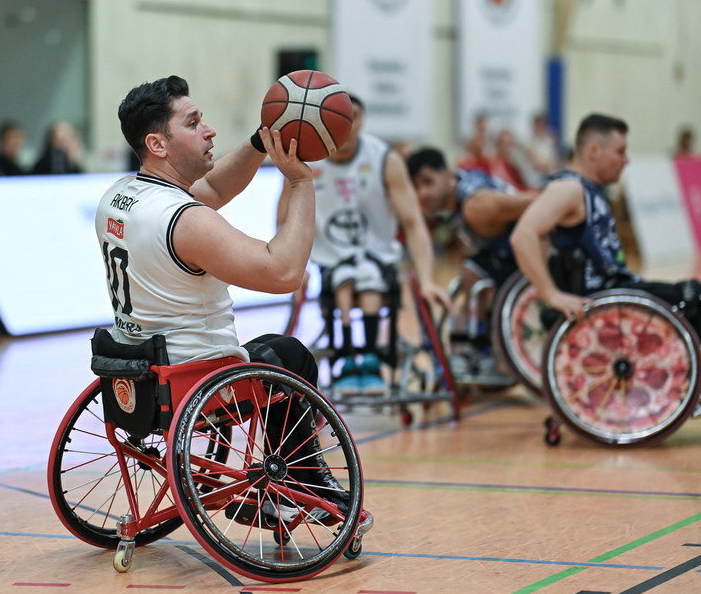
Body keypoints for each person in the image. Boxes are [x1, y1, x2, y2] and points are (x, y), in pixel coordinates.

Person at [97, 75, 347, 515]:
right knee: (291, 355)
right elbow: (284, 270)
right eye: (193, 123)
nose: (209, 130)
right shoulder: (186, 221)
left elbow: (212, 191)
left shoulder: (120, 195)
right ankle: (290, 490)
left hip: (138, 377)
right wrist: (302, 185)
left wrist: (258, 143)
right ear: (158, 144)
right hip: (199, 383)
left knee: (274, 351)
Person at [276, 95, 450, 396]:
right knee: (342, 281)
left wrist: (427, 279)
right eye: (337, 116)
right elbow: (283, 219)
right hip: (329, 260)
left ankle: (370, 361)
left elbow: (413, 223)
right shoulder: (305, 159)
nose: (345, 123)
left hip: (378, 258)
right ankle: (345, 360)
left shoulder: (385, 159)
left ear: (362, 120)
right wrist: (290, 266)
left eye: (352, 115)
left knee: (370, 279)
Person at [510, 113, 701, 333]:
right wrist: (552, 295)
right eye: (620, 152)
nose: (626, 160)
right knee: (693, 296)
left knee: (691, 292)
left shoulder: (590, 189)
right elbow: (523, 236)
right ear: (593, 151)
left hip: (619, 289)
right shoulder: (569, 188)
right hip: (605, 298)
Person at [407, 146, 537, 376]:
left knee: (473, 276)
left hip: (534, 255)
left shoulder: (475, 206)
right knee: (470, 272)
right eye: (416, 187)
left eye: (427, 182)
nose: (422, 194)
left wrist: (559, 196)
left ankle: (481, 350)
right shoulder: (459, 199)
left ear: (447, 176)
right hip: (508, 255)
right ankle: (471, 347)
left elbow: (534, 203)